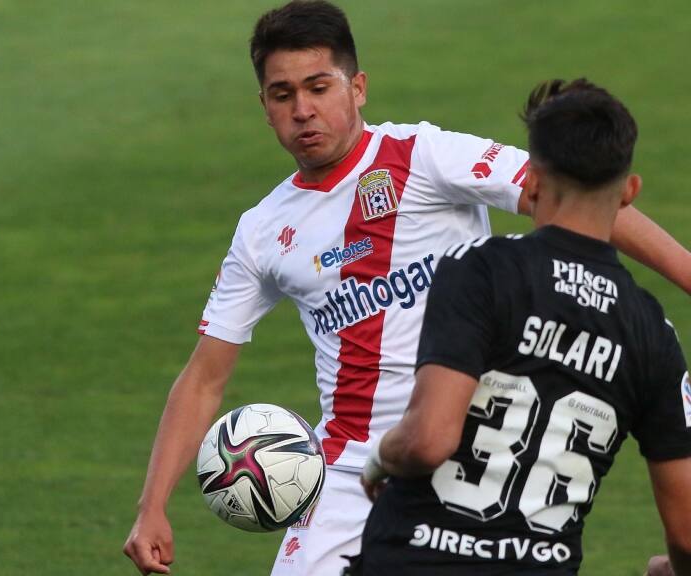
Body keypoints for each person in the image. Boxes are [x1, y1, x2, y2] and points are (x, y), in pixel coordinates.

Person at [123, 2, 691, 574]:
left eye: (319, 87)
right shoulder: (263, 231)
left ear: (358, 87)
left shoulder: (425, 157)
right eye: (282, 95)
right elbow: (204, 378)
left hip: (468, 460)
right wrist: (153, 507)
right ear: (265, 108)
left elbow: (576, 197)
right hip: (347, 473)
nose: (303, 110)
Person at [357, 79, 691, 575]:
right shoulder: (653, 333)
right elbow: (686, 529)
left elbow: (429, 440)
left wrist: (382, 457)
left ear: (531, 182)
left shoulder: (480, 269)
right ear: (630, 192)